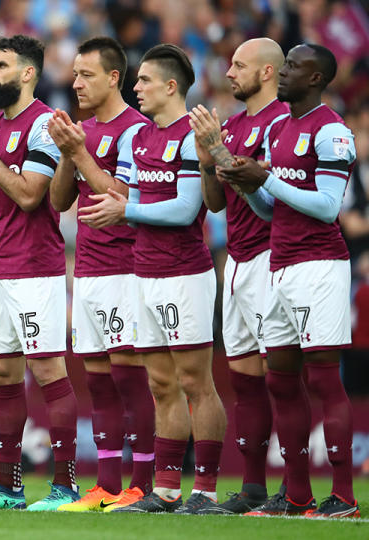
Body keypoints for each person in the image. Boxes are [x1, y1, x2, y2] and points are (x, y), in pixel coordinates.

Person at [78, 44, 227, 514]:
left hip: (185, 272)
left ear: (170, 86)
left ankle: (203, 490)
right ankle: (164, 490)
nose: (135, 88)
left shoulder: (189, 137)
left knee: (196, 382)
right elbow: (134, 202)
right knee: (161, 384)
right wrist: (123, 210)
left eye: (143, 81)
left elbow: (186, 210)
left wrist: (127, 210)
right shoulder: (141, 140)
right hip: (144, 272)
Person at [218, 43, 360, 519]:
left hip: (319, 266)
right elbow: (273, 207)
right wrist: (248, 183)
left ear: (316, 78)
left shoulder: (332, 131)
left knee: (323, 381)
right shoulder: (283, 133)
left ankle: (342, 495)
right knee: (280, 381)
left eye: (295, 67)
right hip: (279, 265)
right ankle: (296, 493)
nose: (285, 73)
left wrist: (267, 180)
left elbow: (326, 206)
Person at [0, 35, 79, 511]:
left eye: (1, 65)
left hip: (35, 266)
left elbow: (31, 196)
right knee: (2, 374)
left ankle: (66, 487)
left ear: (28, 73)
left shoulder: (44, 124)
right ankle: (8, 489)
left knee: (47, 370)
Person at [47, 36, 156, 513]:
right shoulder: (82, 130)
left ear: (114, 77)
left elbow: (121, 196)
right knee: (97, 379)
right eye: (74, 74)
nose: (76, 83)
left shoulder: (137, 130)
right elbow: (56, 202)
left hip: (126, 268)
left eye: (86, 74)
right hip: (88, 268)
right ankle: (107, 485)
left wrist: (83, 152)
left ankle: (145, 484)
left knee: (131, 378)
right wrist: (70, 151)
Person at [186, 38, 289, 515]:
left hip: (274, 257)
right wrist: (210, 160)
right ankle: (252, 487)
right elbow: (213, 202)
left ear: (267, 72)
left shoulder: (284, 123)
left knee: (280, 377)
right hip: (237, 259)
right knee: (244, 377)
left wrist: (219, 152)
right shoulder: (234, 124)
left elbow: (267, 199)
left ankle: (296, 485)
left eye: (240, 65)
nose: (229, 72)